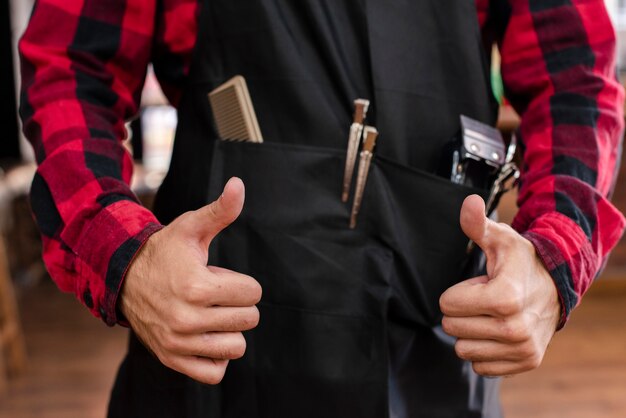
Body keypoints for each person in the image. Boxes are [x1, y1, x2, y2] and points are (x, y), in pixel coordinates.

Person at [19, 0, 625, 417]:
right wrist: (125, 256)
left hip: (434, 333)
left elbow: (573, 79)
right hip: (212, 342)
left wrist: (554, 258)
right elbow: (72, 67)